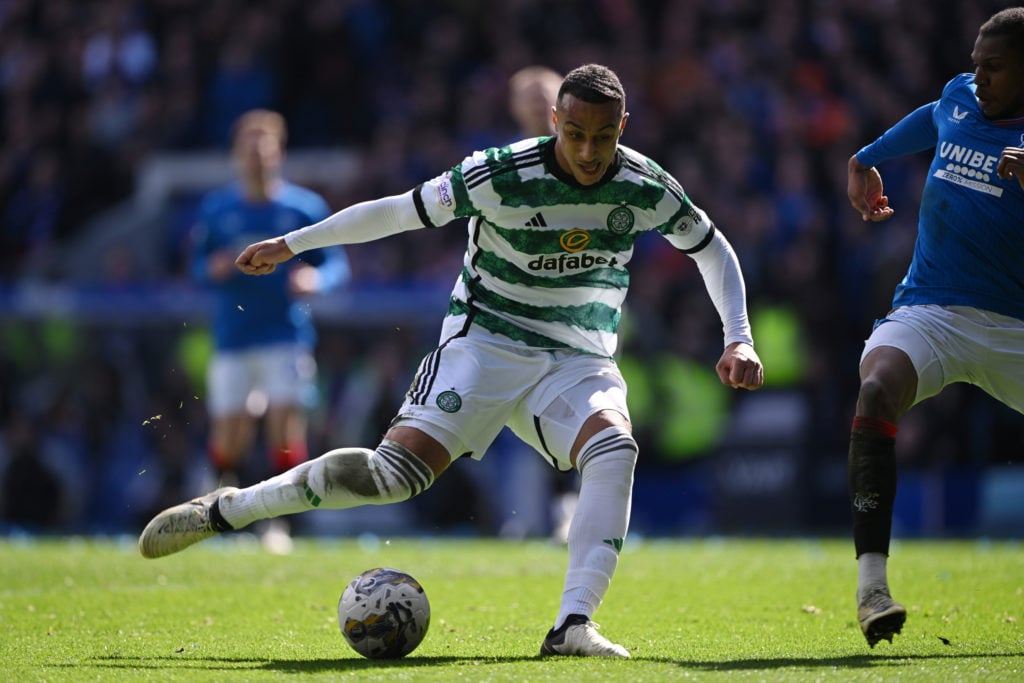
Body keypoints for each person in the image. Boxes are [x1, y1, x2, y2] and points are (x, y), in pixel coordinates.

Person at [141, 64, 764, 658]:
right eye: (574, 134)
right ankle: (229, 508)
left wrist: (738, 335)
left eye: (602, 137)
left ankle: (573, 623)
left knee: (615, 449)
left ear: (622, 127)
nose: (587, 152)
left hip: (577, 356)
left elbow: (712, 249)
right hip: (484, 343)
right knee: (392, 478)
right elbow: (395, 212)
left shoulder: (644, 184)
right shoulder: (497, 173)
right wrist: (293, 245)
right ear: (554, 122)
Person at [845, 7, 1024, 649]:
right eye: (976, 63)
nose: (978, 79)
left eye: (995, 68)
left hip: (1017, 329)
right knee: (875, 390)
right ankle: (872, 588)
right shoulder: (961, 95)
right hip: (934, 309)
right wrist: (867, 156)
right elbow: (932, 115)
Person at [188, 109, 350, 553]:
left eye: (265, 146)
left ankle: (278, 523)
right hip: (234, 336)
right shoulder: (218, 208)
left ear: (278, 152)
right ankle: (217, 507)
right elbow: (195, 267)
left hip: (286, 335)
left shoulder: (303, 207)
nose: (257, 156)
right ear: (237, 155)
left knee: (284, 424)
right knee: (232, 435)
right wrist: (213, 268)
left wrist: (317, 280)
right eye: (249, 147)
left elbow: (336, 263)